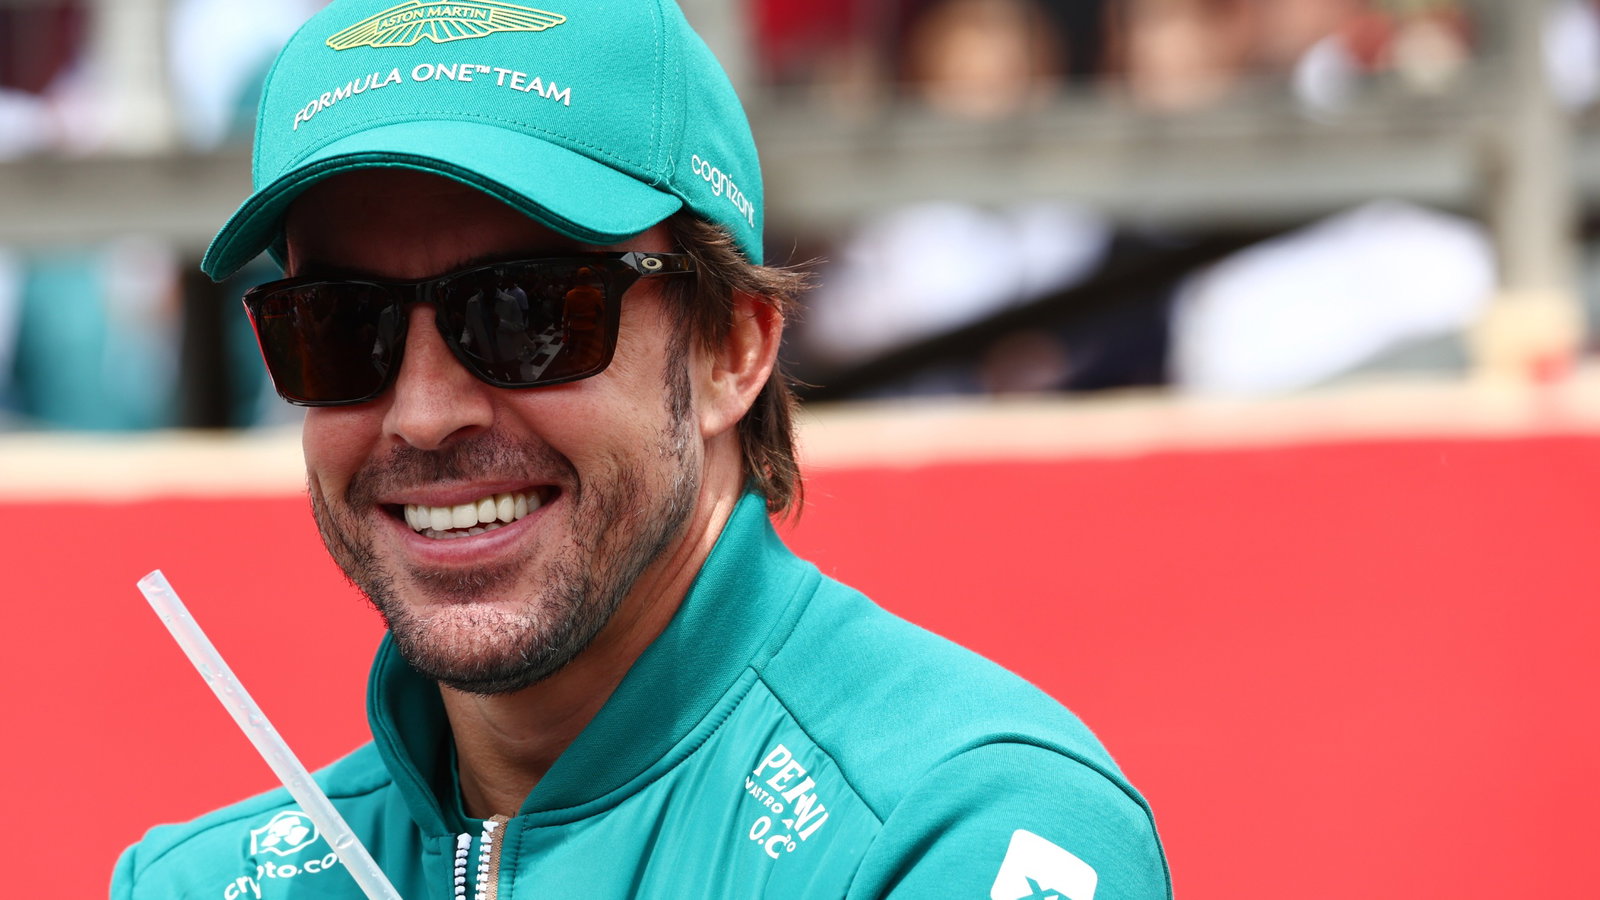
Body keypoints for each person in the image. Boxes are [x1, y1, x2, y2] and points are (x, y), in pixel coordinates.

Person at [111, 1, 1170, 898]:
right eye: (338, 327)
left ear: (729, 348)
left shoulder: (961, 825)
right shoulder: (198, 882)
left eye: (523, 312)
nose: (424, 413)